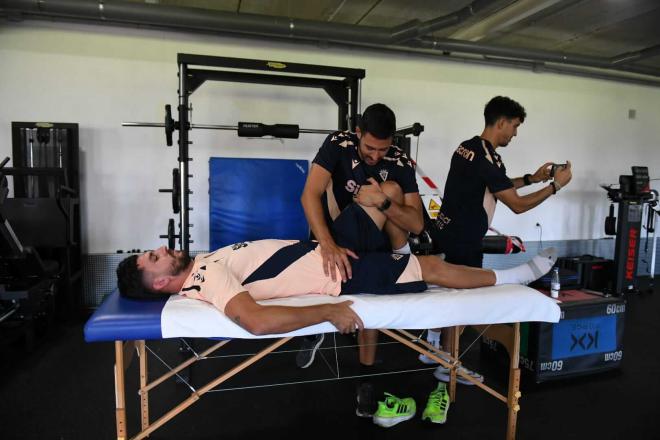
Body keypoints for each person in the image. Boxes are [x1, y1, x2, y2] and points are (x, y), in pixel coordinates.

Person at [116, 202, 558, 427]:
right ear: (159, 284)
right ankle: (518, 278)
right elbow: (257, 322)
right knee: (433, 267)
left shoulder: (199, 264)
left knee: (374, 206)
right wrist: (328, 311)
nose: (162, 250)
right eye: (154, 258)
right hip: (344, 277)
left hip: (328, 253)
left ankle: (424, 256)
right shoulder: (207, 279)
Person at [424, 95, 573, 387]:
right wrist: (555, 186)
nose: (515, 133)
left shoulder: (471, 148)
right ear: (501, 122)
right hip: (464, 240)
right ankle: (447, 364)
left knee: (451, 294)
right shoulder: (485, 158)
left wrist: (532, 178)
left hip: (450, 233)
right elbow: (516, 204)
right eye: (515, 126)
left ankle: (433, 349)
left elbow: (498, 187)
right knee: (463, 302)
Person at [297, 103, 424, 377]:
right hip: (333, 235)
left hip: (374, 239)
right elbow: (309, 194)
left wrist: (383, 202)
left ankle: (366, 380)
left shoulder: (400, 161)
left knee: (390, 190)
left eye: (383, 149)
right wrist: (328, 245)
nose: (376, 156)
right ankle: (315, 327)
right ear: (358, 133)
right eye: (369, 148)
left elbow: (417, 224)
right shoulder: (338, 143)